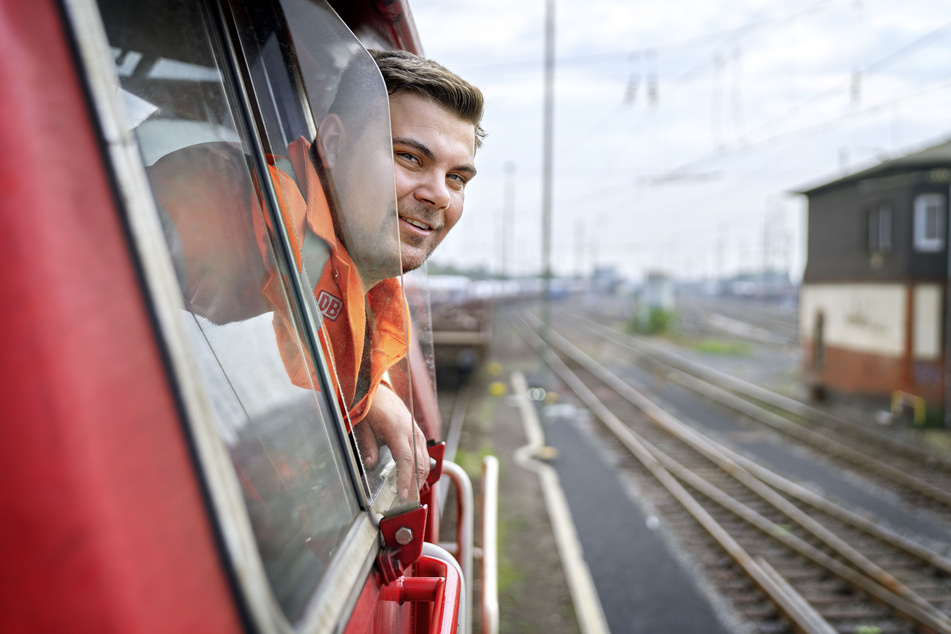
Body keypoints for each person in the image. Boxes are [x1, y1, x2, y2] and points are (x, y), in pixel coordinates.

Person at [150, 48, 485, 503]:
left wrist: (370, 388)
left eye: (458, 178)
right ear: (332, 144)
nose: (439, 196)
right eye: (410, 158)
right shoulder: (221, 197)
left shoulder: (360, 268)